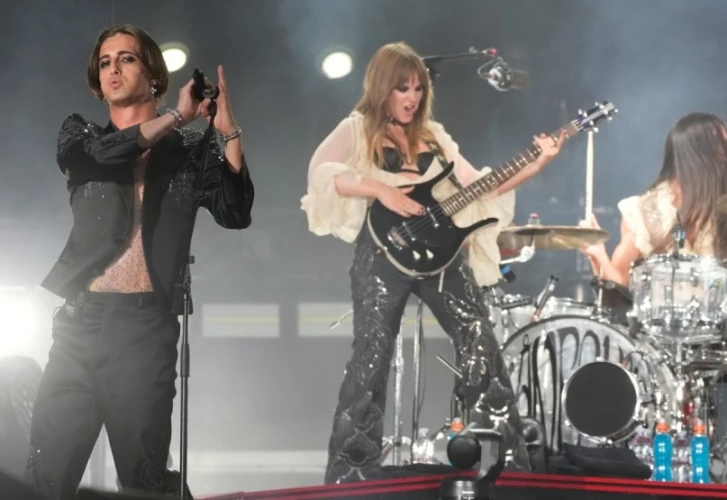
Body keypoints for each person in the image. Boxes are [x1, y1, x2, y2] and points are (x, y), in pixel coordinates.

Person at [301, 42, 566, 483]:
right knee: (371, 356)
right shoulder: (357, 128)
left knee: (480, 340)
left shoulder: (434, 137)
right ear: (382, 87)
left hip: (440, 255)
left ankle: (504, 469)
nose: (412, 98)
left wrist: (538, 163)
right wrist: (380, 189)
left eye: (419, 89)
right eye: (402, 88)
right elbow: (321, 173)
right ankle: (350, 475)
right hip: (382, 253)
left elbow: (479, 185)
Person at [25, 25, 254, 500]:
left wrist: (228, 131)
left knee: (144, 479)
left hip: (144, 329)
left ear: (153, 74)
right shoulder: (81, 136)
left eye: (126, 59)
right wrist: (178, 116)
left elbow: (235, 212)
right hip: (79, 327)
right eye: (105, 62)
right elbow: (113, 151)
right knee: (45, 475)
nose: (113, 68)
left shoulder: (188, 152)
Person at [579, 112, 727, 286]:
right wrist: (598, 256)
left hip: (721, 302)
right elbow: (618, 284)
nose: (724, 155)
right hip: (661, 303)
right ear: (695, 155)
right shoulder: (643, 212)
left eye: (725, 146)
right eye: (718, 147)